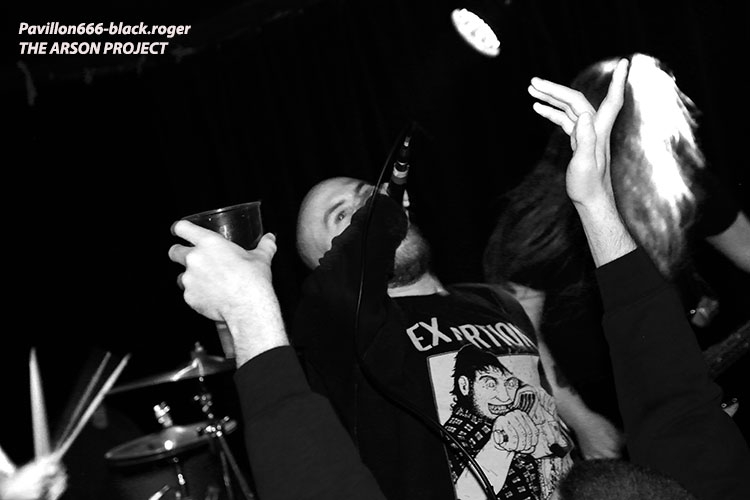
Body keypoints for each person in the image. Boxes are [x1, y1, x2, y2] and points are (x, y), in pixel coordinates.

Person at [167, 57, 750, 499]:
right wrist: (240, 311)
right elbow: (282, 398)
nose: (368, 208)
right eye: (342, 218)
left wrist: (596, 199)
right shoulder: (339, 335)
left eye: (370, 195)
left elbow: (661, 395)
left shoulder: (494, 302)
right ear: (323, 268)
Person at [483, 53, 750, 458]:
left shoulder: (682, 184)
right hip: (601, 405)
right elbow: (518, 329)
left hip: (681, 386)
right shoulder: (542, 214)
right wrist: (582, 420)